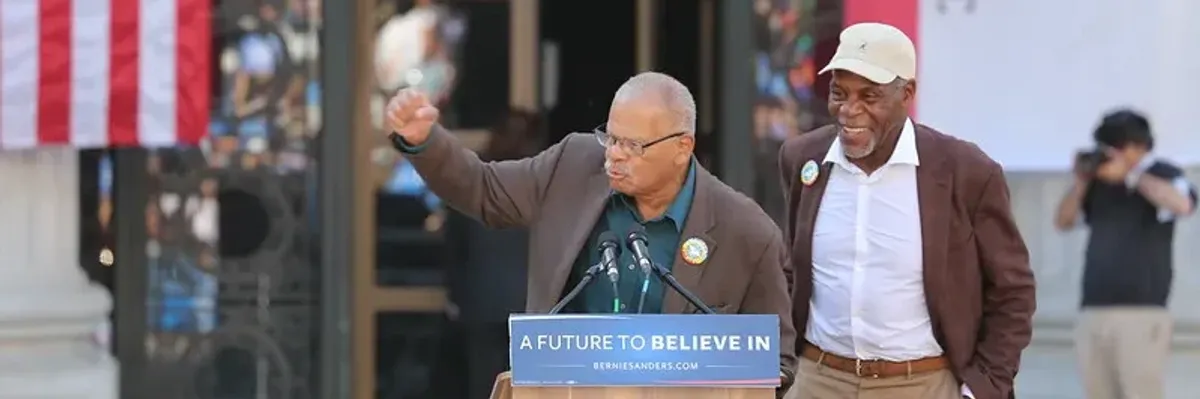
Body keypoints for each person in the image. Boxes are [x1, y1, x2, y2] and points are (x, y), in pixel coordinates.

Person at [386, 72, 797, 388]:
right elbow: (485, 189)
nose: (614, 157)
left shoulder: (745, 232)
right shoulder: (574, 166)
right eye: (611, 138)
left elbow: (778, 364)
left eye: (633, 146)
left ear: (682, 148)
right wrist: (427, 143)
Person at [777, 23, 1035, 399]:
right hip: (819, 380)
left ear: (907, 94)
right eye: (839, 93)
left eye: (869, 96)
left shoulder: (966, 172)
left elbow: (1013, 291)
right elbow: (791, 271)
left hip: (923, 383)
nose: (850, 111)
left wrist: (983, 387)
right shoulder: (803, 159)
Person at [1053, 110, 1196, 399]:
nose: (1109, 155)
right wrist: (1081, 181)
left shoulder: (1163, 173)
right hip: (1093, 309)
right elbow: (1063, 221)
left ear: (1138, 147)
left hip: (1141, 311)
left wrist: (1131, 175)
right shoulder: (1098, 183)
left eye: (1116, 148)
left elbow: (1183, 204)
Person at [433, 110, 542, 399]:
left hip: (483, 306)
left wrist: (456, 298)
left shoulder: (475, 187)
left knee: (485, 386)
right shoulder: (544, 186)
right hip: (531, 310)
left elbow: (455, 250)